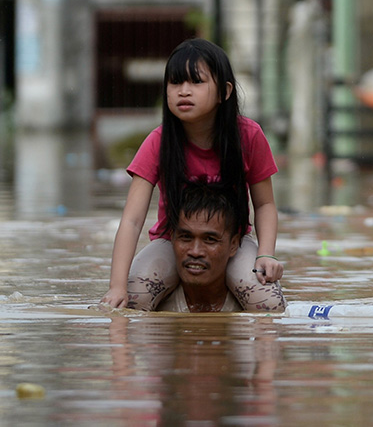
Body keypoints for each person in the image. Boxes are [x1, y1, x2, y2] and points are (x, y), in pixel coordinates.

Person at [100, 38, 286, 312]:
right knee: (132, 301)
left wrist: (266, 254)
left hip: (231, 243)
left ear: (224, 91)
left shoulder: (248, 136)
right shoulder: (158, 142)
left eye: (196, 82)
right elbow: (132, 219)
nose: (183, 91)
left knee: (268, 304)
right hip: (172, 243)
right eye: (175, 83)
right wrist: (116, 287)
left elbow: (265, 204)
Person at [157, 180, 245, 313]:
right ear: (172, 237)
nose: (195, 251)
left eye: (210, 239)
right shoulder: (151, 303)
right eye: (186, 237)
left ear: (233, 245)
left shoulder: (253, 307)